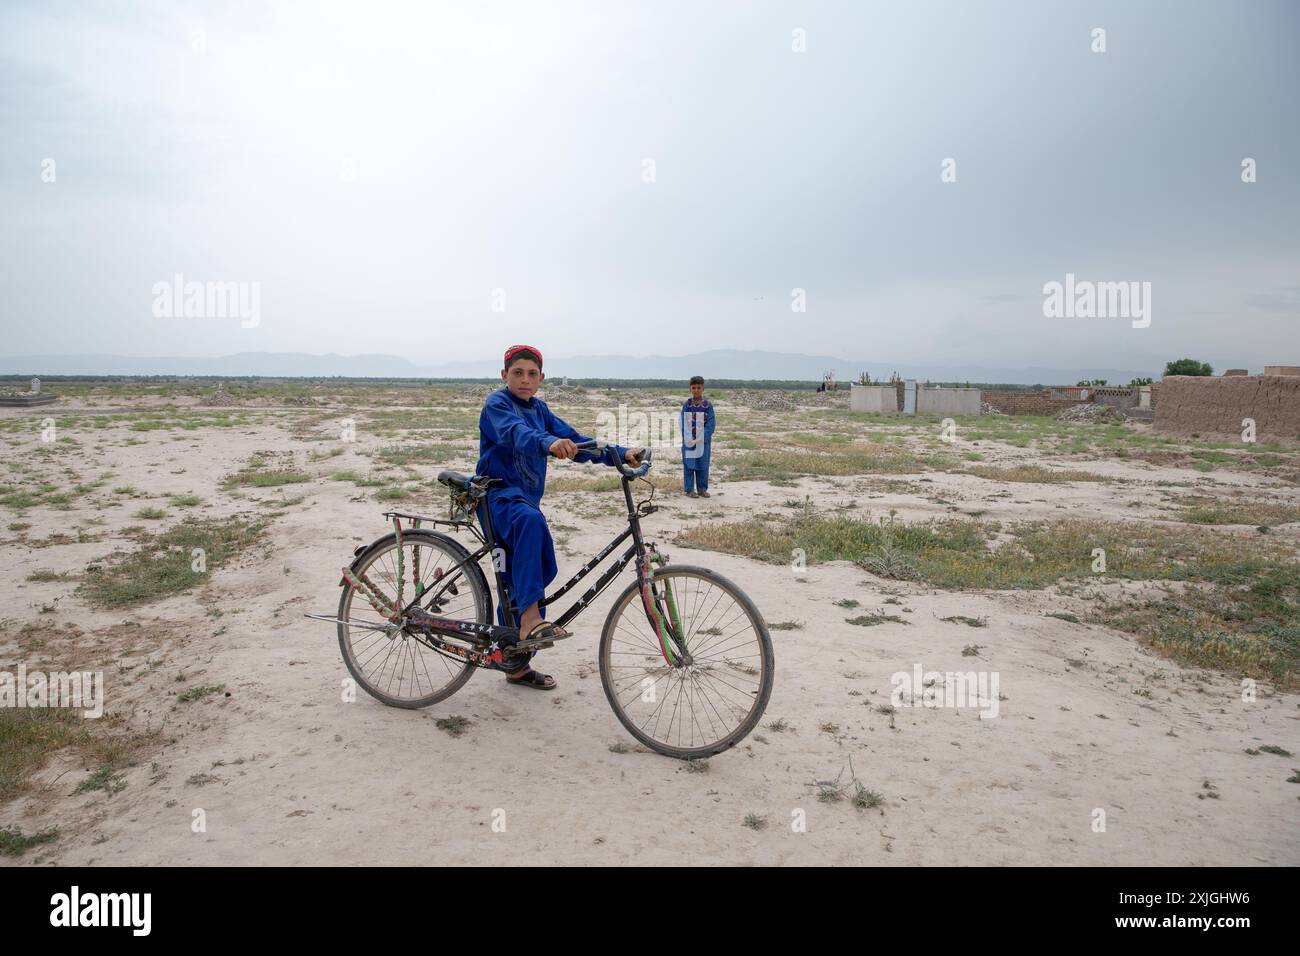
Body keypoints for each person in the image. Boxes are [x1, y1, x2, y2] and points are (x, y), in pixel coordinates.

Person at [477, 344, 641, 690]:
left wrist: (619, 453)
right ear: (504, 375)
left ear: (541, 378)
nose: (524, 379)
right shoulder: (497, 404)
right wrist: (547, 443)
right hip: (499, 498)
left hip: (524, 503)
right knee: (530, 535)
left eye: (531, 374)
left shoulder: (540, 410)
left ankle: (516, 663)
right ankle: (530, 621)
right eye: (517, 373)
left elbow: (577, 441)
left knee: (519, 577)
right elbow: (516, 434)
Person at [680, 375, 715, 498]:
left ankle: (702, 489)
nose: (696, 390)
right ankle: (689, 490)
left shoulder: (708, 405)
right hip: (689, 441)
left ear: (703, 388)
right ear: (690, 389)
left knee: (702, 465)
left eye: (698, 387)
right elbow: (683, 422)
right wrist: (689, 438)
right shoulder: (687, 405)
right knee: (689, 464)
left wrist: (701, 438)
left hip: (703, 442)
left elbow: (711, 424)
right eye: (693, 388)